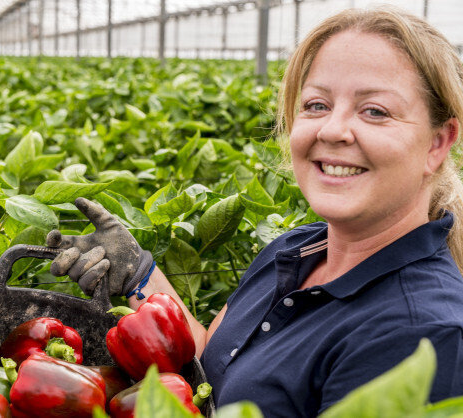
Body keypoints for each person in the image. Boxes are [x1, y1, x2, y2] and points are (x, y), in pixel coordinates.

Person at [45, 6, 463, 417]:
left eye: (375, 111)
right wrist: (140, 274)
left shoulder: (418, 334)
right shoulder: (297, 248)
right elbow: (215, 366)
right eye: (316, 105)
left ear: (438, 142)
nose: (333, 130)